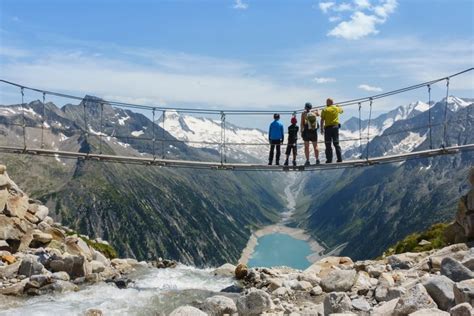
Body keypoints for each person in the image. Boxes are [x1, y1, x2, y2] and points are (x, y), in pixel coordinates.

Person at [320, 98, 343, 163]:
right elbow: (341, 111)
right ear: (332, 102)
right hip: (335, 127)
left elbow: (322, 120)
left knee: (328, 144)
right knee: (336, 143)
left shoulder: (325, 109)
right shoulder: (336, 108)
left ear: (327, 103)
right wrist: (338, 106)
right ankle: (340, 159)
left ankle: (329, 160)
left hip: (328, 129)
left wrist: (321, 129)